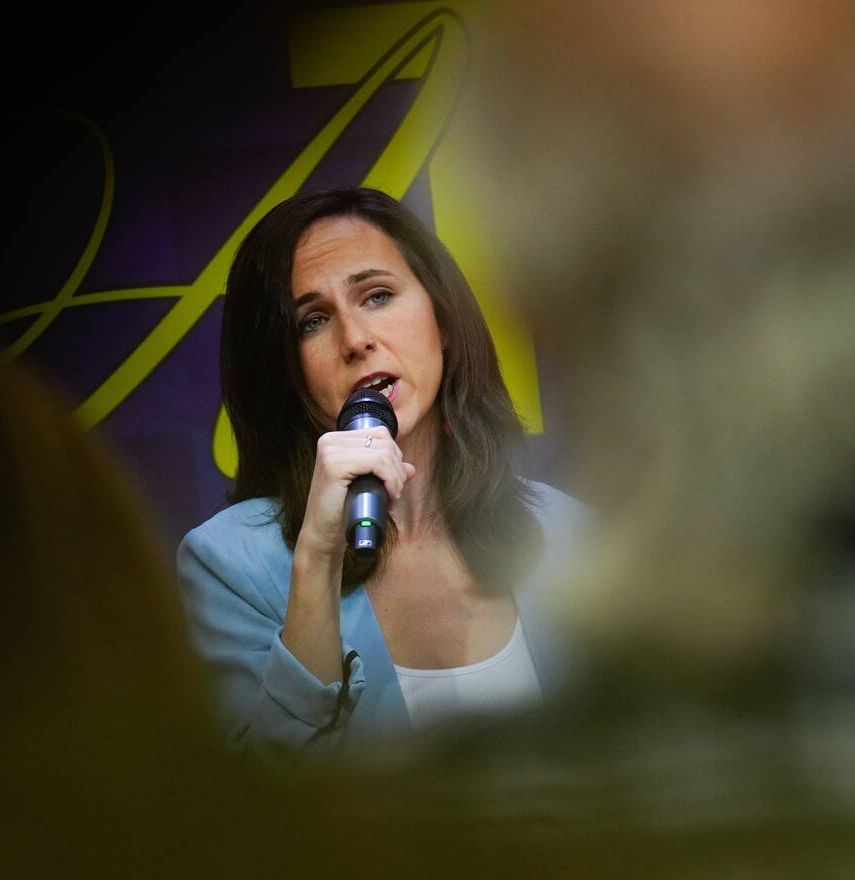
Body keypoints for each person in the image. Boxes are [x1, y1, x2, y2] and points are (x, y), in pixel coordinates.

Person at [177, 187, 586, 759]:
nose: (355, 339)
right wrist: (317, 558)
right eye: (312, 321)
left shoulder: (568, 531)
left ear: (442, 320)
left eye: (377, 296)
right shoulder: (228, 564)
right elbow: (260, 797)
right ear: (284, 371)